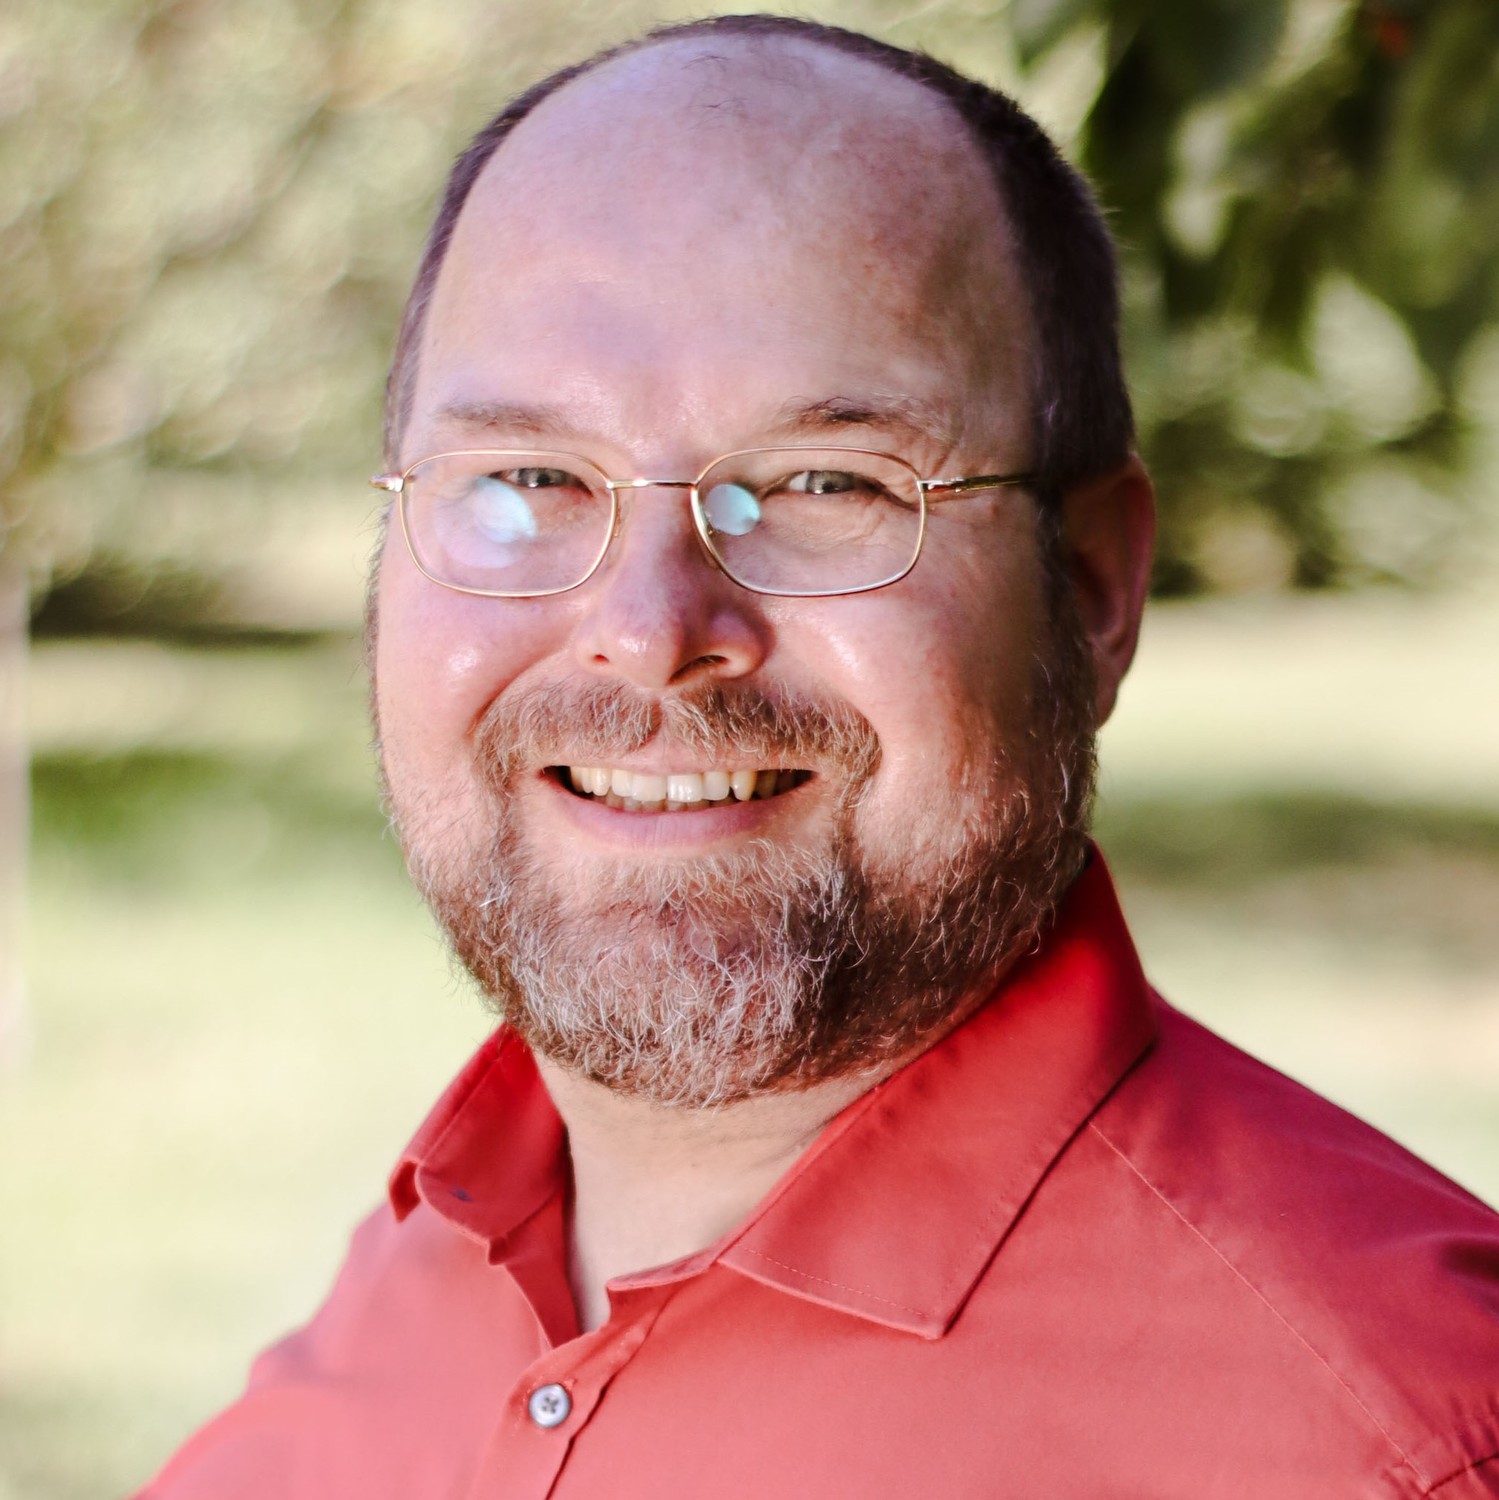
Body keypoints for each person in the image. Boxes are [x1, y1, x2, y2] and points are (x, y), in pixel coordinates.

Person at [136, 15, 1499, 1498]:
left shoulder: (1394, 1443)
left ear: (1095, 584)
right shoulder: (419, 1280)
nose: (651, 633)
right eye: (528, 475)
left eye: (823, 485)